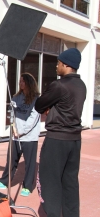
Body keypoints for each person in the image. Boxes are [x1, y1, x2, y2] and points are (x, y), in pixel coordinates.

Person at [35, 48, 86, 217]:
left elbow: (39, 105)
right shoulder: (81, 85)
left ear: (65, 64)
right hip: (74, 141)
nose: (56, 66)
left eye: (58, 63)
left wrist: (50, 107)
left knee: (50, 183)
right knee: (70, 183)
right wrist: (54, 107)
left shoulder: (59, 85)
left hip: (57, 140)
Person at [0, 72, 41, 197]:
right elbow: (11, 114)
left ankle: (27, 186)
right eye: (20, 81)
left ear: (29, 82)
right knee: (11, 159)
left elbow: (33, 118)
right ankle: (4, 181)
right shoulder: (16, 97)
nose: (20, 83)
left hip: (29, 137)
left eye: (23, 81)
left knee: (29, 163)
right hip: (15, 135)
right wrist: (12, 127)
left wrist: (21, 132)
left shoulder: (36, 99)